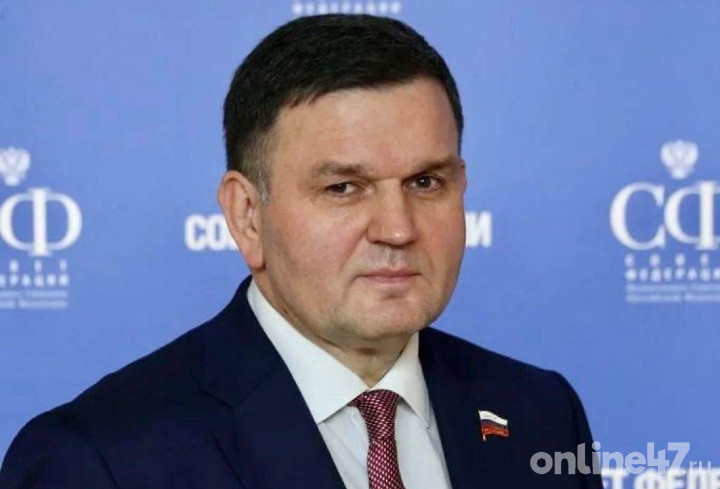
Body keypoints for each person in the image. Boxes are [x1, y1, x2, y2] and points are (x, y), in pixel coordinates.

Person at [0, 14, 602, 489]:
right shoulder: (98, 459)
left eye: (425, 182)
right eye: (344, 188)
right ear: (247, 216)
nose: (398, 229)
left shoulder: (541, 412)